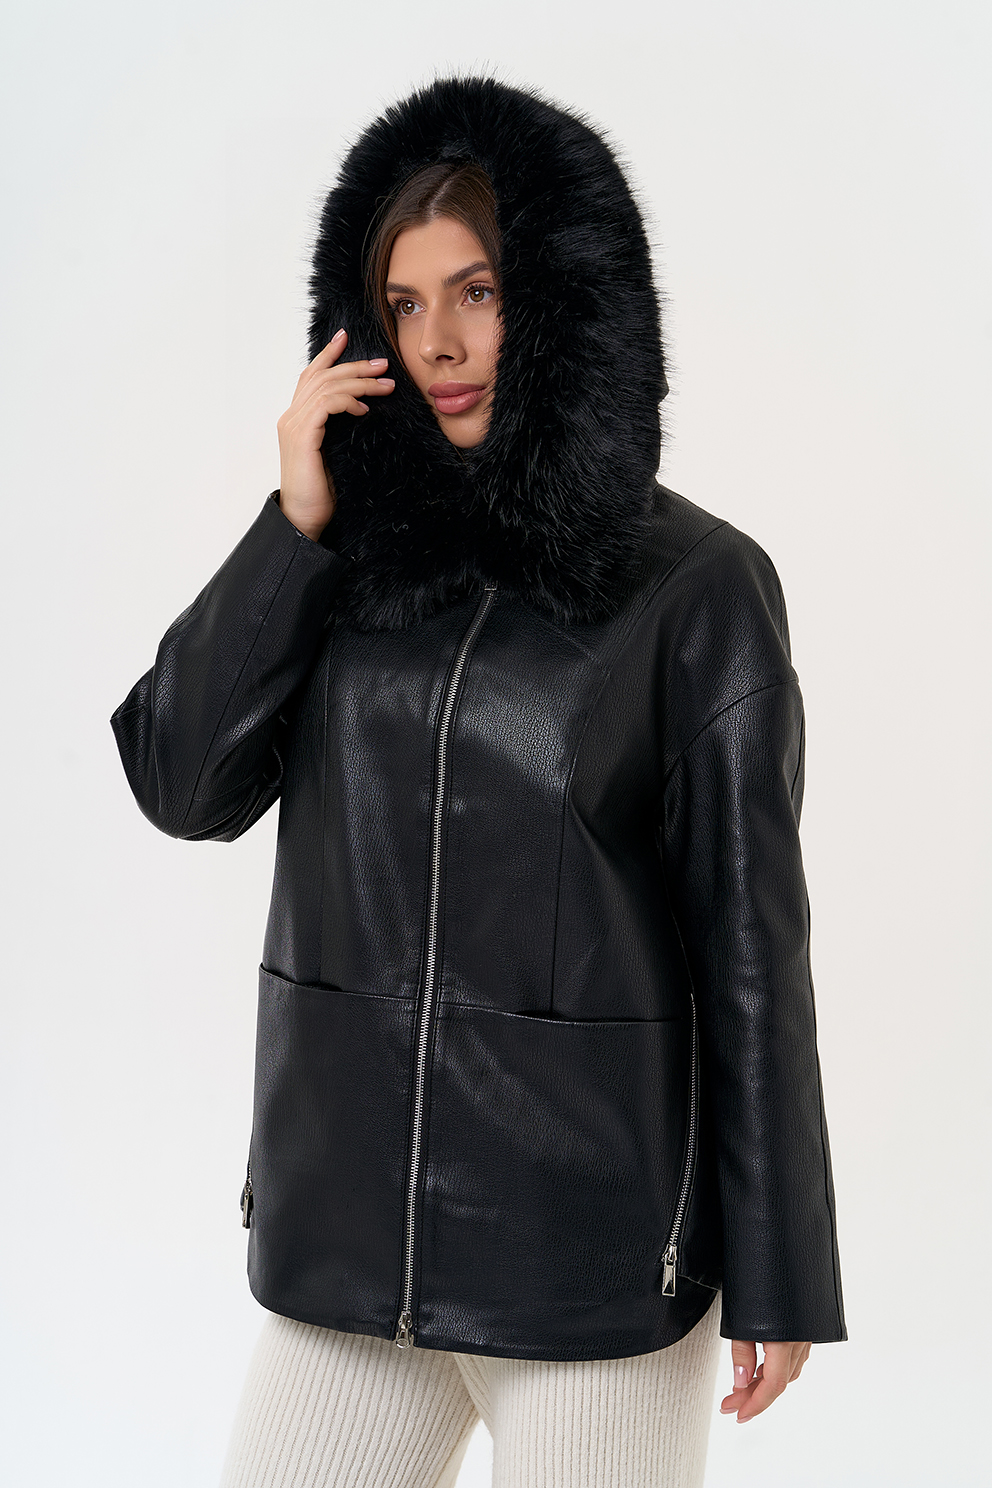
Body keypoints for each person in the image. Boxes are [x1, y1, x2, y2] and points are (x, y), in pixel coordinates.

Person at [110, 74, 846, 1487]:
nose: (439, 343)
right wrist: (294, 522)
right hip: (345, 1243)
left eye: (478, 293)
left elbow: (752, 945)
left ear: (563, 301)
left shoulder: (697, 590)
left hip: (589, 1265)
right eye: (402, 305)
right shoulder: (341, 558)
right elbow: (181, 783)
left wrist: (782, 1271)